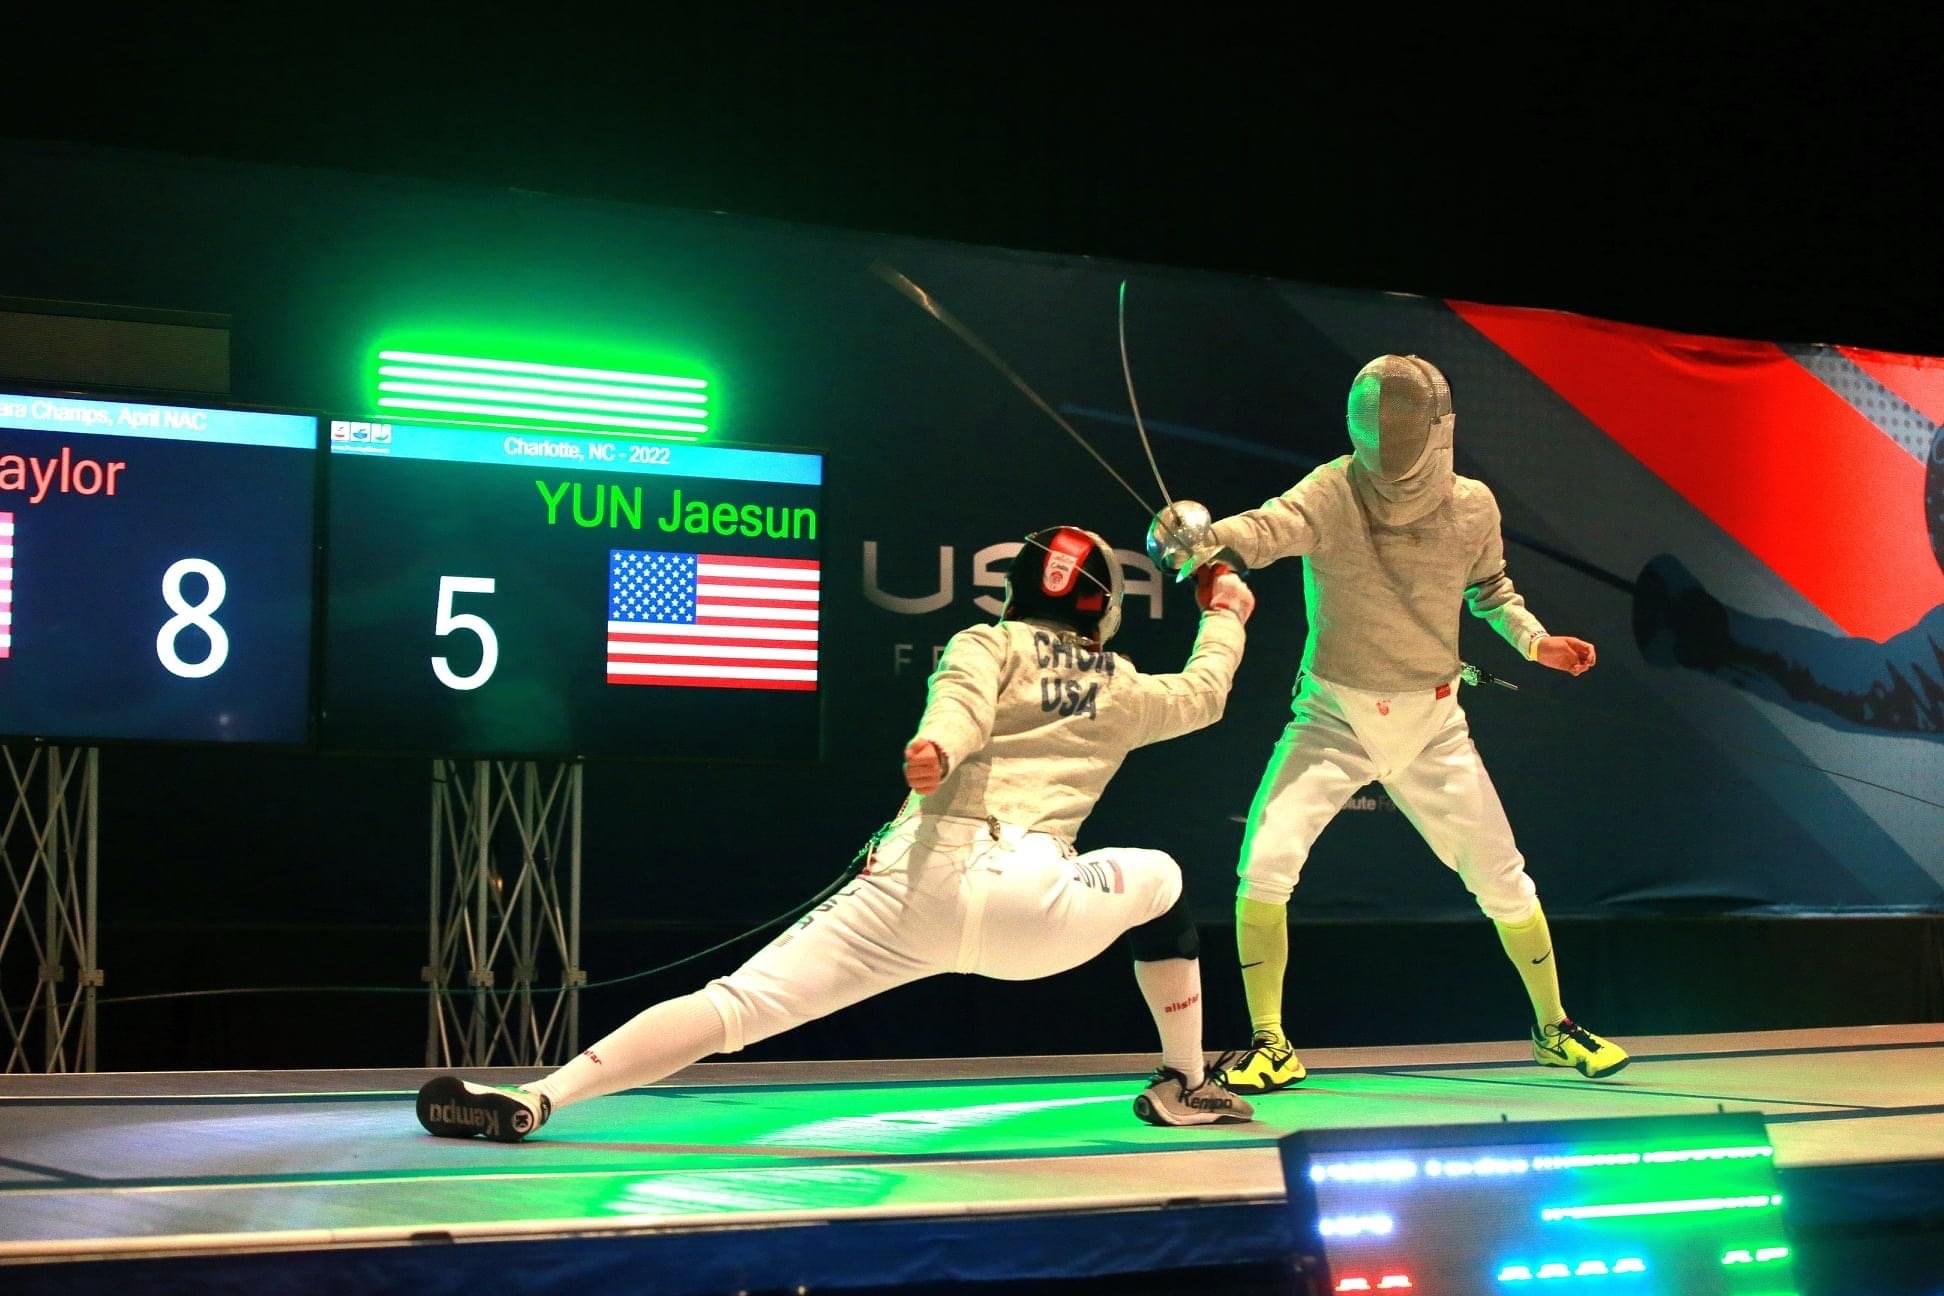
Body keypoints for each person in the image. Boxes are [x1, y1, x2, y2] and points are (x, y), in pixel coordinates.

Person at [417, 524, 1260, 1142]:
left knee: (734, 1007)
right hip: (1036, 911)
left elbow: (958, 706)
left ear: (1019, 593)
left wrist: (941, 750)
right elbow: (1206, 692)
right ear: (1099, 608)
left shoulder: (987, 640)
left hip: (914, 883)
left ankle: (541, 1096)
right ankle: (1184, 1079)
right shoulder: (1122, 683)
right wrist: (1227, 609)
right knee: (1166, 880)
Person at [1192, 354, 1628, 1094]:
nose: (1392, 453)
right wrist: (1201, 538)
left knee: (1502, 877)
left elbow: (1490, 588)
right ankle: (1270, 1041)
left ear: (1440, 431)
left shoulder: (1473, 506)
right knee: (1264, 863)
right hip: (1333, 713)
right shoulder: (1331, 491)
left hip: (1433, 723)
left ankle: (1554, 1030)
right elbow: (1265, 530)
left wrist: (1535, 642)